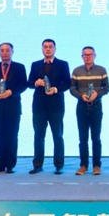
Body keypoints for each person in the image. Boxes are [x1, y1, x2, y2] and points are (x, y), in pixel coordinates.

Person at [28, 39, 71, 175]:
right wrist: (36, 83)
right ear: (42, 49)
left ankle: (59, 165)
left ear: (55, 49)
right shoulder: (35, 65)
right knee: (38, 135)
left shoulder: (63, 64)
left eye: (50, 47)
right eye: (45, 47)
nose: (47, 49)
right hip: (39, 106)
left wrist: (56, 89)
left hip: (56, 105)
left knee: (57, 136)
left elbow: (68, 83)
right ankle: (37, 164)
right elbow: (29, 83)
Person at [0, 42, 28, 174]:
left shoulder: (19, 67)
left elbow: (23, 85)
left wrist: (11, 92)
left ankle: (10, 165)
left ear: (12, 52)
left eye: (7, 50)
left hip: (12, 106)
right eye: (2, 50)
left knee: (11, 136)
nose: (4, 53)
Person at [69, 46, 109, 176]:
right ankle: (83, 165)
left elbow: (107, 88)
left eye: (90, 54)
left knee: (96, 138)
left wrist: (97, 94)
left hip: (96, 107)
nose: (87, 57)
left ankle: (96, 166)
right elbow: (72, 88)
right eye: (85, 55)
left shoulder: (102, 70)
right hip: (81, 107)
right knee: (83, 139)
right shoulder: (76, 71)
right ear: (82, 57)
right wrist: (80, 95)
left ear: (95, 56)